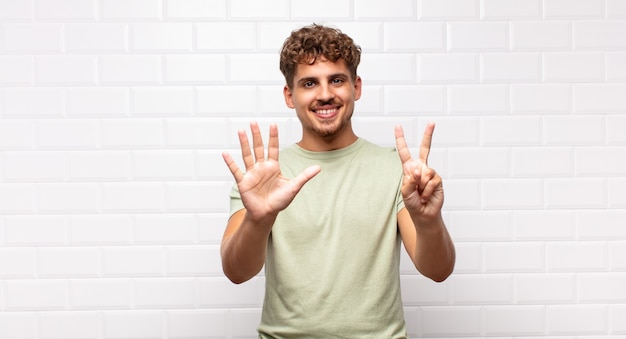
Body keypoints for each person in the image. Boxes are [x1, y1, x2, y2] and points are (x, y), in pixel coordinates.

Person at [221, 23, 455, 338]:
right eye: (309, 83)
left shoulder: (398, 171)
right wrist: (258, 219)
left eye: (336, 80)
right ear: (290, 96)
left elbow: (438, 271)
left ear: (356, 87)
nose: (325, 94)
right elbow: (236, 272)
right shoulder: (264, 176)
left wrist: (429, 220)